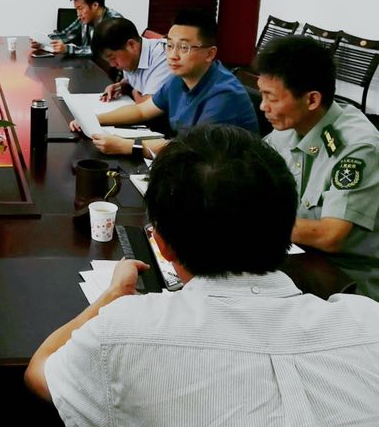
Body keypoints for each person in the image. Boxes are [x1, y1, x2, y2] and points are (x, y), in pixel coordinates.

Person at [25, 124, 379, 426]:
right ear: (287, 225)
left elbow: (40, 372)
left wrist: (110, 298)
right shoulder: (368, 321)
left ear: (161, 244)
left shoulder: (120, 332)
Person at [257, 35, 379, 300]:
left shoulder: (357, 147)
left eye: (271, 98)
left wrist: (254, 224)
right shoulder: (289, 127)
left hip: (347, 283)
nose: (263, 106)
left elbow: (330, 235)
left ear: (312, 100)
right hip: (298, 258)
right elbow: (250, 167)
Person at [72, 8, 258, 158]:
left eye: (183, 47)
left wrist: (127, 146)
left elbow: (190, 150)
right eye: (169, 45)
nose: (173, 55)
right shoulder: (178, 79)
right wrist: (91, 119)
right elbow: (141, 111)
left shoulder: (223, 95)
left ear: (210, 54)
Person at [91, 17, 171, 103]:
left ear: (131, 45)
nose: (112, 65)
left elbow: (148, 105)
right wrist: (120, 86)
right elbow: (132, 77)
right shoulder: (132, 56)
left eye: (113, 58)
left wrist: (134, 93)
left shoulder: (164, 57)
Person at [33, 0, 122, 57]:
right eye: (76, 9)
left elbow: (101, 51)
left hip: (109, 70)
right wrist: (41, 42)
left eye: (80, 8)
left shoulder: (114, 22)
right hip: (89, 65)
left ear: (95, 5)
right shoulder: (84, 18)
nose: (78, 14)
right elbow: (66, 35)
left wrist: (68, 49)